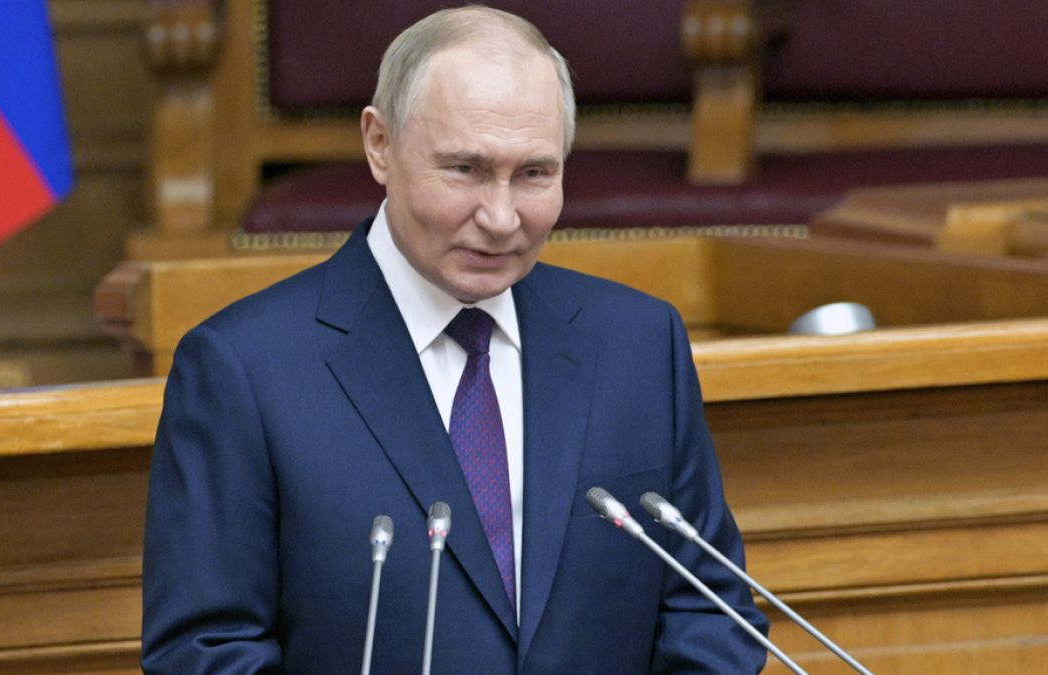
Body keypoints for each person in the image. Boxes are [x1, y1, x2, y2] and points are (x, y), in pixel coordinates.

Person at [141, 6, 768, 673]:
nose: (500, 217)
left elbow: (710, 612)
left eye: (534, 174)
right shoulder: (243, 369)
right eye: (465, 168)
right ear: (380, 144)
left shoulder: (638, 345)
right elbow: (205, 652)